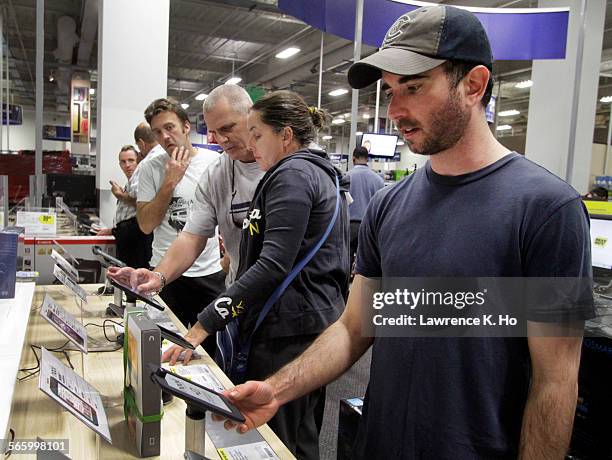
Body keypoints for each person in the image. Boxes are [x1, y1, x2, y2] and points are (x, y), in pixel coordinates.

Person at [217, 6, 594, 459]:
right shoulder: (390, 205)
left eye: (413, 87)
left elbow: (556, 380)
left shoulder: (549, 210)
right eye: (391, 90)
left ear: (473, 85)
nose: (395, 109)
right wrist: (278, 389)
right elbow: (355, 328)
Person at [157, 90, 349, 459]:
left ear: (286, 135)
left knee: (280, 438)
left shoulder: (292, 175)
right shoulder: (306, 172)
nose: (252, 143)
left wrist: (202, 326)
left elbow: (273, 264)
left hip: (289, 331)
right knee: (298, 433)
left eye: (257, 134)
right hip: (302, 325)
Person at [128, 98, 225, 338]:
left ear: (186, 126)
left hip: (208, 273)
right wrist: (170, 182)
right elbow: (146, 225)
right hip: (164, 273)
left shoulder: (215, 163)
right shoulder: (151, 167)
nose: (165, 137)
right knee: (161, 346)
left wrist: (227, 261)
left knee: (211, 351)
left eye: (169, 128)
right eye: (157, 132)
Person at [96, 145, 152, 269]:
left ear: (138, 160)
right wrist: (114, 230)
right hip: (128, 242)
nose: (127, 165)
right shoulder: (130, 182)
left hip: (138, 243)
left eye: (131, 160)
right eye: (123, 161)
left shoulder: (141, 178)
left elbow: (143, 205)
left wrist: (120, 195)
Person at [346, 146, 384, 270]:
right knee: (366, 264)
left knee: (346, 259)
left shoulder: (346, 177)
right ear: (367, 159)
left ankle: (346, 287)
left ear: (353, 159)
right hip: (369, 226)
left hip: (349, 225)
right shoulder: (378, 180)